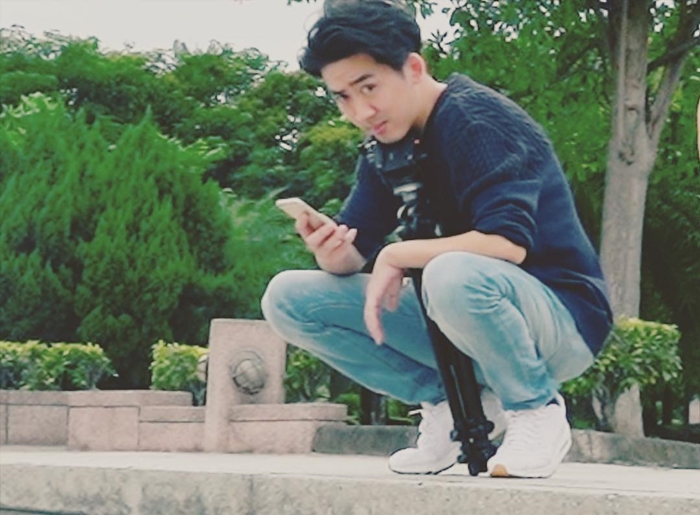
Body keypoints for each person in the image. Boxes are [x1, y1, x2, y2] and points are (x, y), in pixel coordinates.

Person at [261, 0, 612, 478]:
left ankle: (536, 411)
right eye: (342, 97)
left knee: (452, 272)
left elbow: (506, 243)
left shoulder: (477, 121)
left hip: (561, 320)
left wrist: (397, 254)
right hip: (459, 317)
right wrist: (332, 250)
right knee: (288, 298)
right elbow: (354, 257)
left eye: (369, 87)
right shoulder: (384, 146)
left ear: (413, 68)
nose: (360, 111)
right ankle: (449, 408)